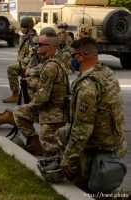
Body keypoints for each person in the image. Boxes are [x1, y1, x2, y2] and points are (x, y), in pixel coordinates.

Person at [57, 37, 127, 190]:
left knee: (64, 138)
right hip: (116, 141)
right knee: (63, 133)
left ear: (81, 57)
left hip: (100, 146)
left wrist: (68, 159)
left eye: (73, 57)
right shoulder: (106, 72)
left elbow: (82, 129)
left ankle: (83, 184)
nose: (71, 61)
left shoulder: (87, 86)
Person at [13, 27, 70, 156]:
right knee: (19, 112)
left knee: (51, 152)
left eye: (40, 44)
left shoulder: (49, 66)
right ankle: (35, 146)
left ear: (49, 47)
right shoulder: (53, 62)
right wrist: (30, 82)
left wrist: (31, 105)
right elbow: (47, 86)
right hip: (53, 109)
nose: (36, 46)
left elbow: (42, 97)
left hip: (52, 114)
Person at [3, 17, 37, 103]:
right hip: (24, 63)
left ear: (29, 28)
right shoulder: (24, 37)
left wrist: (23, 63)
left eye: (23, 27)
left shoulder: (33, 39)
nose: (21, 29)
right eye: (21, 27)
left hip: (29, 65)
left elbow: (32, 54)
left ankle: (15, 94)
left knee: (11, 68)